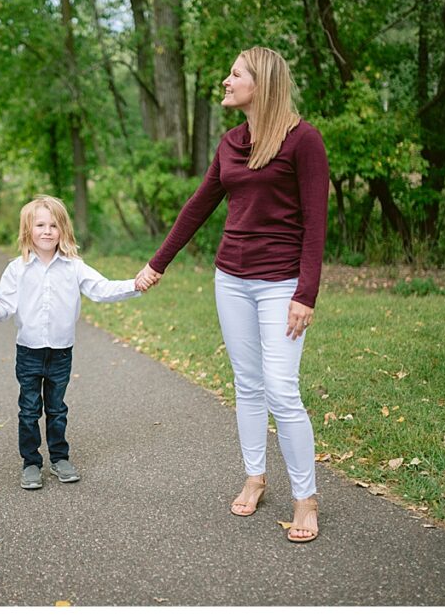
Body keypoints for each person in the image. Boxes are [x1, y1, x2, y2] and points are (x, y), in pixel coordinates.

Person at [136, 47, 330, 543]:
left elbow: (316, 224)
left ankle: (305, 498)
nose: (226, 80)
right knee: (248, 384)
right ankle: (255, 476)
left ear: (260, 83)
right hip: (232, 280)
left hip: (281, 283)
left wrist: (306, 293)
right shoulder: (231, 142)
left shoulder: (303, 140)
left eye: (236, 73)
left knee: (281, 389)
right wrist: (157, 263)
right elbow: (198, 206)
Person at [0, 196, 141, 490]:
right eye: (40, 225)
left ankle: (60, 458)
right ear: (28, 230)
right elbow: (6, 305)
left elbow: (101, 289)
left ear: (63, 230)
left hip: (61, 352)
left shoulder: (74, 267)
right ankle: (31, 463)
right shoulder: (17, 268)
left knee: (57, 408)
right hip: (29, 351)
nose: (47, 231)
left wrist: (135, 285)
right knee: (29, 409)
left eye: (53, 225)